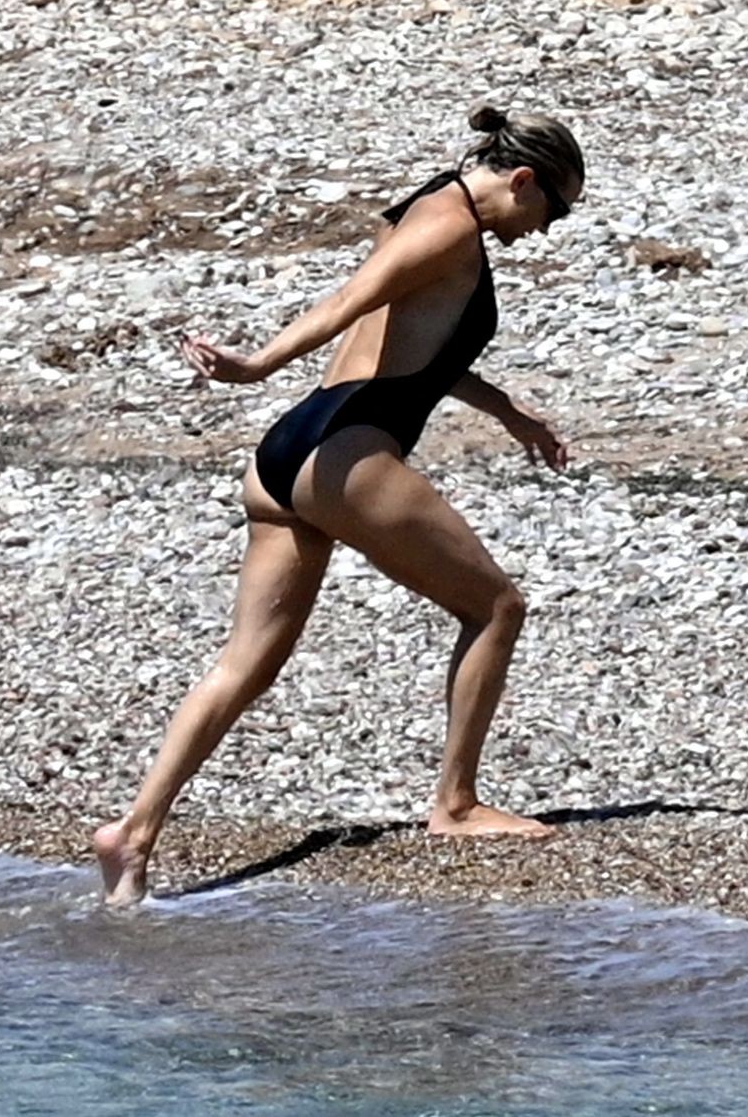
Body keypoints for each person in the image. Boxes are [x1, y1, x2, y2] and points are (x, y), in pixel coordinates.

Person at [93, 102, 586, 905]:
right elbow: (348, 302)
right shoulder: (451, 229)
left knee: (244, 664)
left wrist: (508, 412)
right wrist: (256, 365)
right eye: (554, 211)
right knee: (496, 607)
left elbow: (420, 347)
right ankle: (456, 804)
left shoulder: (428, 205)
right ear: (524, 179)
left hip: (286, 454)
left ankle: (133, 834)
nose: (546, 230)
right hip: (348, 453)